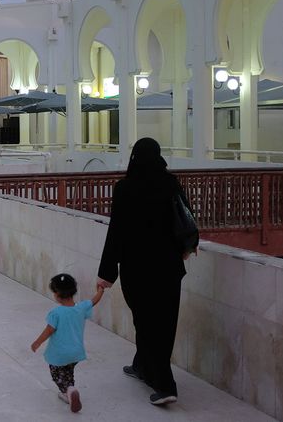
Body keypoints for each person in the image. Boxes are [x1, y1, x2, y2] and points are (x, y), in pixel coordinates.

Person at [97, 137, 194, 406]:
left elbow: (116, 231)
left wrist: (107, 272)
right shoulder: (170, 183)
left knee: (147, 322)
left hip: (137, 268)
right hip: (169, 268)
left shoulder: (125, 188)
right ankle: (142, 365)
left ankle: (165, 385)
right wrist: (188, 245)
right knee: (162, 322)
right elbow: (185, 216)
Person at [31, 274, 105, 413]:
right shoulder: (81, 308)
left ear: (57, 294)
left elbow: (49, 330)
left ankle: (69, 391)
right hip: (76, 352)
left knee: (56, 374)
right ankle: (69, 391)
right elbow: (93, 301)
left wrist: (37, 342)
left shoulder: (56, 313)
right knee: (68, 372)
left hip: (59, 353)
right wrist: (100, 291)